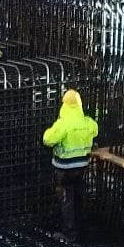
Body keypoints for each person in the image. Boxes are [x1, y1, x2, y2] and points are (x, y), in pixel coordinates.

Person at [41, 88, 98, 237]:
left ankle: (69, 233)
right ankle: (80, 227)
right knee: (78, 195)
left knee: (66, 198)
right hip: (82, 166)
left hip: (64, 168)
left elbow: (47, 139)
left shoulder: (63, 124)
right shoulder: (88, 122)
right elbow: (95, 130)